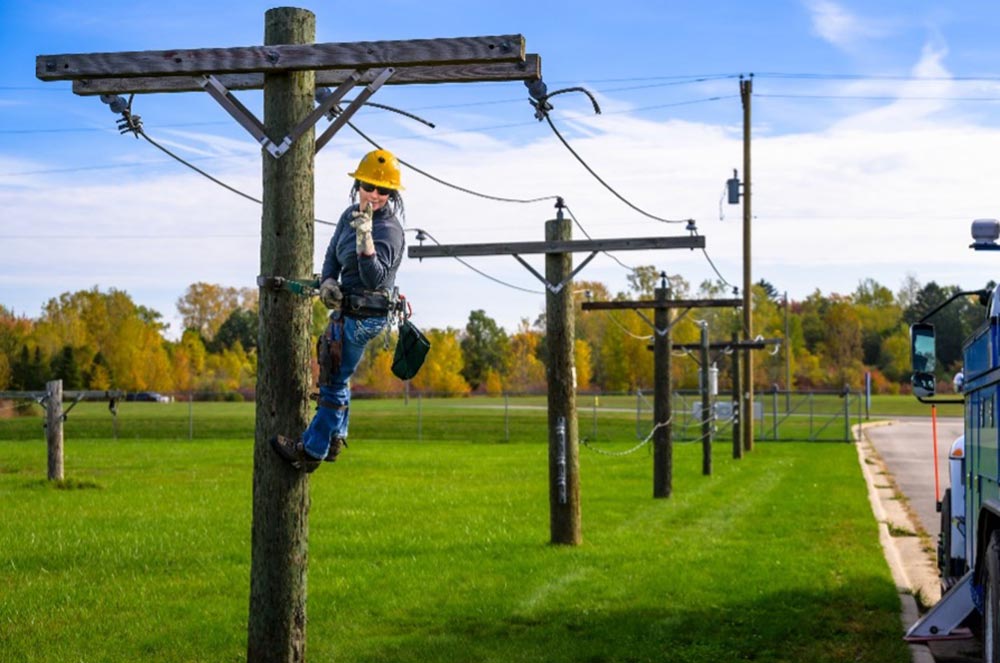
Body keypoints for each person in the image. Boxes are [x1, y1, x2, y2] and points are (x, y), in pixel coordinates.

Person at [271, 149, 406, 472]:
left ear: (391, 195)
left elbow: (375, 278)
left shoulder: (390, 230)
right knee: (336, 370)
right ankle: (335, 437)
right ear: (358, 184)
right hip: (347, 308)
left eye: (383, 190)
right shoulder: (349, 215)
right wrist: (330, 280)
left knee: (333, 377)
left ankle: (312, 449)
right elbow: (332, 254)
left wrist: (366, 238)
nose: (374, 195)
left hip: (366, 315)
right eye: (368, 186)